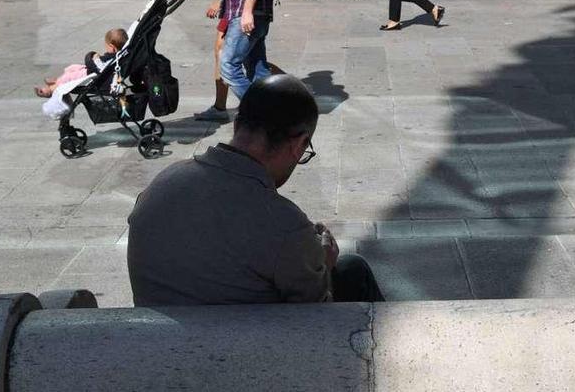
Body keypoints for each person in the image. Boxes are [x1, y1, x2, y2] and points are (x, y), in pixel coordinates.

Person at [127, 74, 385, 306]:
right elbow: (317, 319)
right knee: (353, 270)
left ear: (237, 125)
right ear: (299, 144)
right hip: (239, 352)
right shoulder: (283, 224)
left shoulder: (161, 184)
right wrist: (324, 266)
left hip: (155, 342)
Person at [34, 28, 127, 98]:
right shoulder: (119, 56)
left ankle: (50, 89)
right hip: (91, 71)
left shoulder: (113, 57)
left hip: (92, 75)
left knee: (68, 77)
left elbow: (100, 67)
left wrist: (95, 57)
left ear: (112, 47)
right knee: (72, 68)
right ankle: (57, 80)